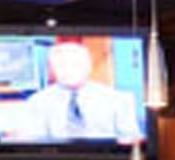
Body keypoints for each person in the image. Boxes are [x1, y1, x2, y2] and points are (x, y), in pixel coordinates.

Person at [9, 40, 143, 144]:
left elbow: (132, 141)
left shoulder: (117, 99)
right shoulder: (37, 102)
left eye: (74, 64)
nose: (68, 71)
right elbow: (32, 141)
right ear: (53, 70)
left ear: (88, 66)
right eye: (61, 65)